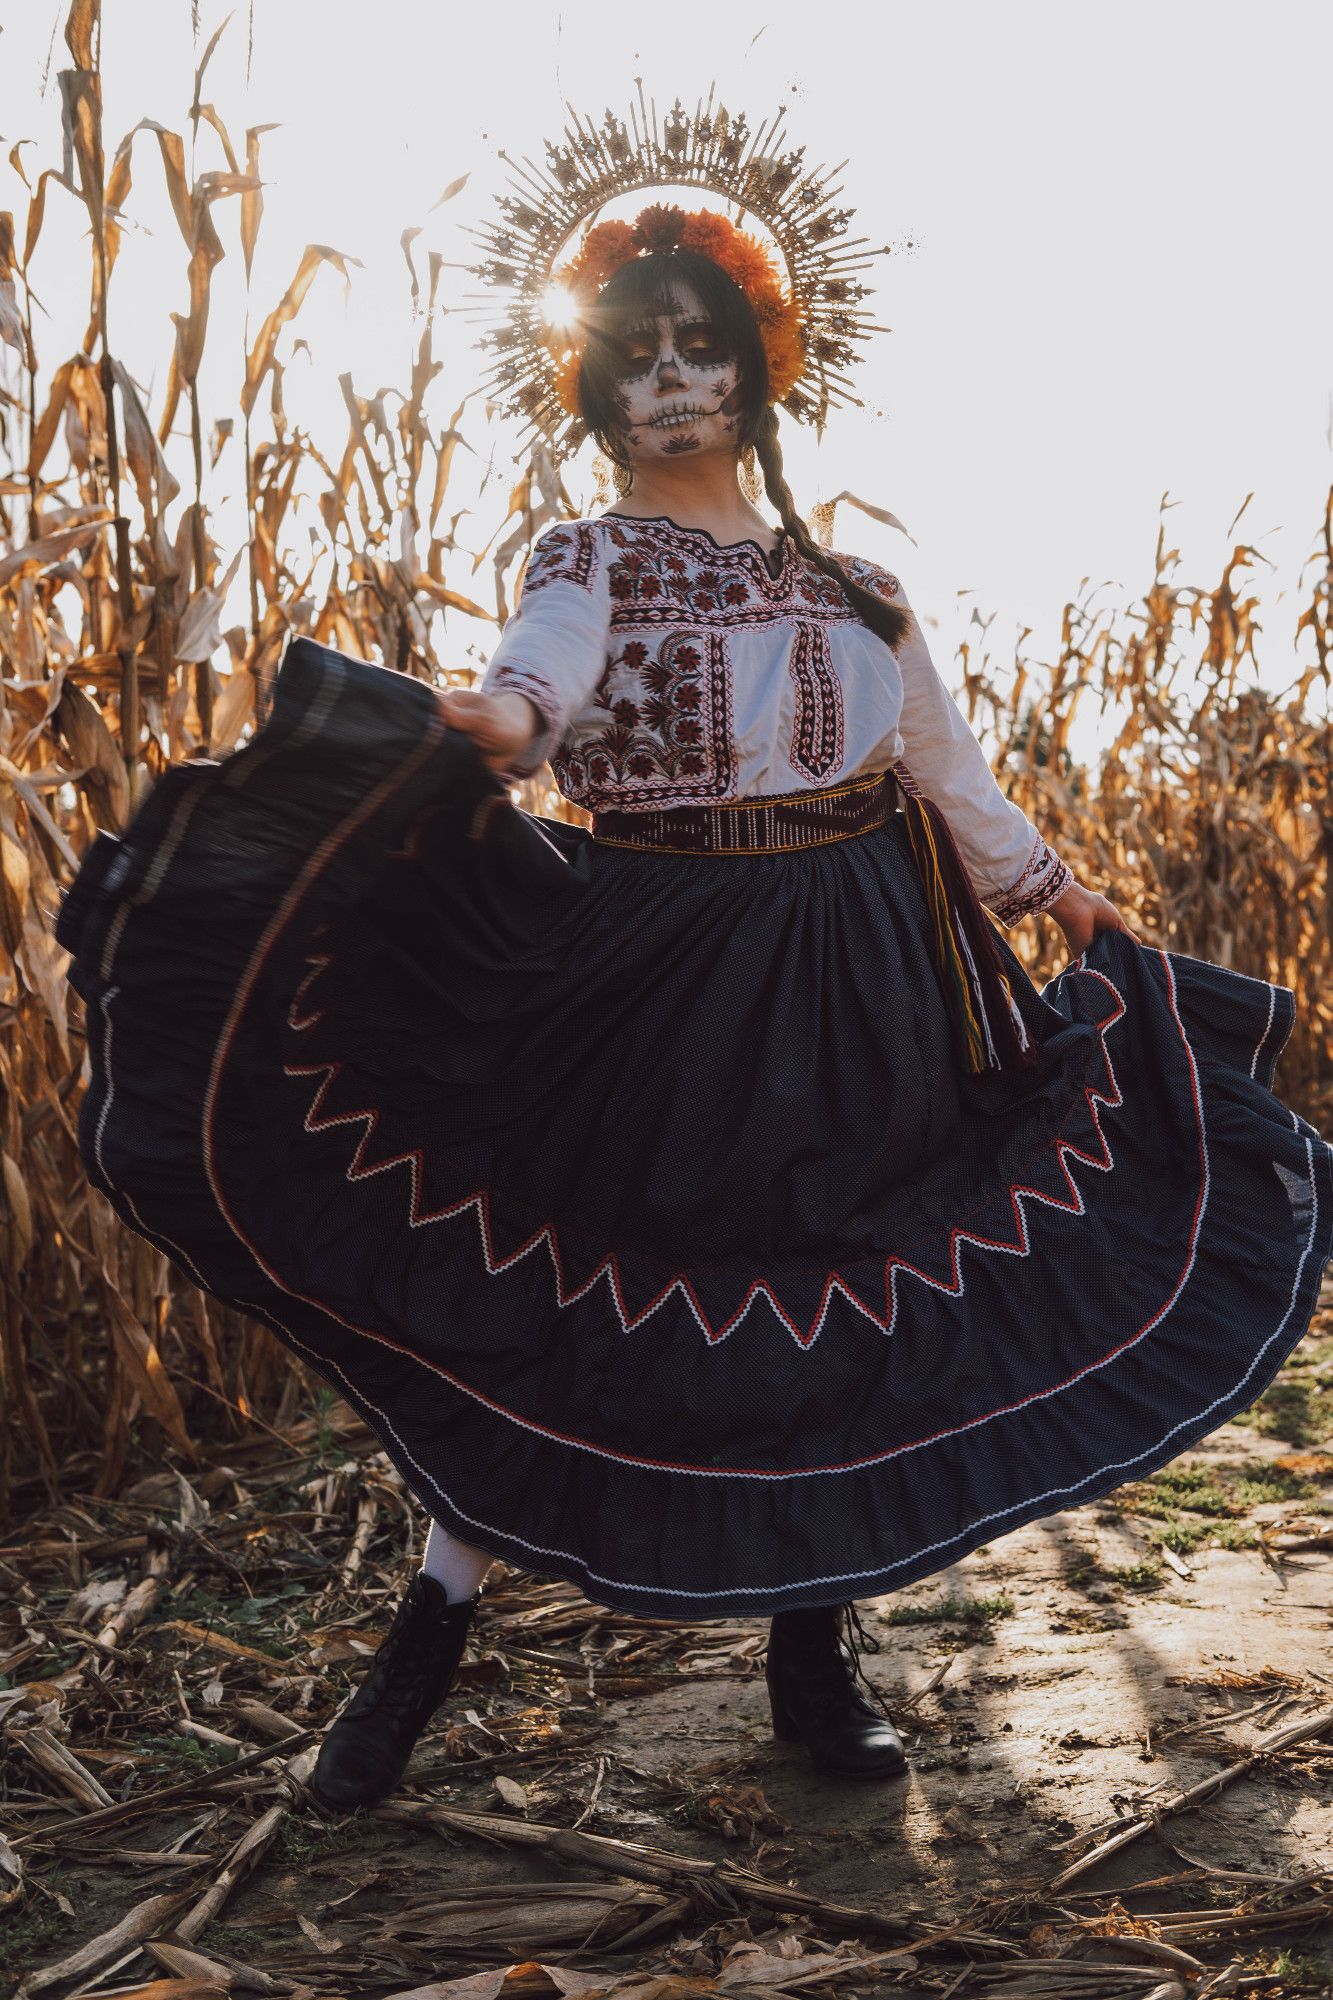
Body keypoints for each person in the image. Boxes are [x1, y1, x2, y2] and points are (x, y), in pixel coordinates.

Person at [59, 155, 1332, 1819]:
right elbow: (543, 669)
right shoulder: (586, 553)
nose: (670, 380)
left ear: (755, 364)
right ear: (597, 386)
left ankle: (814, 1650)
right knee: (586, 1289)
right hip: (654, 966)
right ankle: (419, 1649)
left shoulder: (856, 590)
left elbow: (950, 780)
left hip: (862, 963)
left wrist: (1068, 903)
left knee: (835, 1287)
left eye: (698, 347)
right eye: (636, 355)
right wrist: (503, 726)